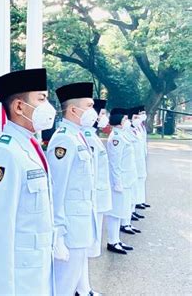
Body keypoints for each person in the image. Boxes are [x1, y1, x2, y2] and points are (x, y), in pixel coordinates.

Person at [0, 69, 56, 296]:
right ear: (19, 107)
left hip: (37, 266)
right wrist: (0, 288)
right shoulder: (5, 152)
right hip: (18, 276)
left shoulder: (28, 144)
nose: (47, 106)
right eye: (41, 99)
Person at [46, 82, 99, 296]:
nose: (93, 111)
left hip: (81, 222)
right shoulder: (63, 139)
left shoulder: (78, 135)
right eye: (89, 105)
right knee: (63, 285)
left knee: (72, 278)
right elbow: (57, 188)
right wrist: (58, 234)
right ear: (74, 110)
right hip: (70, 226)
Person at [76, 99, 113, 295]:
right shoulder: (86, 136)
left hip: (95, 198)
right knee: (81, 250)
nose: (102, 117)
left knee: (84, 250)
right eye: (100, 113)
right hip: (90, 200)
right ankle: (81, 288)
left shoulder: (89, 135)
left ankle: (83, 287)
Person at [105, 109, 135, 255]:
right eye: (124, 119)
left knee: (120, 211)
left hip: (126, 180)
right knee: (115, 213)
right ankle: (112, 241)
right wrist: (117, 182)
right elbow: (114, 162)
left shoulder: (122, 135)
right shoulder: (116, 138)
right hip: (119, 181)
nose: (127, 121)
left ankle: (116, 240)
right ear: (119, 121)